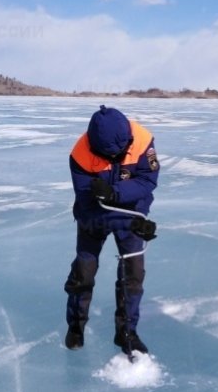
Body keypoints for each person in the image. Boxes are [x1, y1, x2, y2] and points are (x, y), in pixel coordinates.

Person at [64, 105, 160, 356]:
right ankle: (75, 325)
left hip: (130, 213)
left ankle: (126, 332)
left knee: (133, 275)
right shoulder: (80, 153)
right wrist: (107, 199)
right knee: (83, 273)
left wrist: (137, 217)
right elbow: (86, 199)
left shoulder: (142, 141)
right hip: (92, 217)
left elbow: (147, 181)